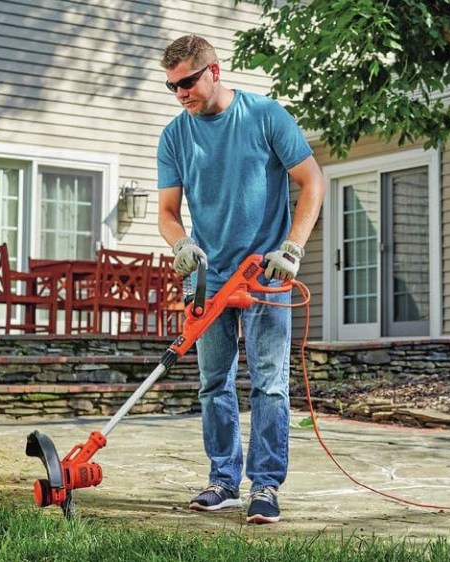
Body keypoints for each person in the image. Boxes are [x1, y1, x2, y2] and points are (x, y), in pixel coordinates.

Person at [155, 34, 326, 524]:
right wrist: (180, 243)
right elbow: (167, 213)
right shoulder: (175, 136)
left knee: (270, 385)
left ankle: (266, 486)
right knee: (213, 383)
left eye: (187, 81)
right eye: (172, 86)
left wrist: (292, 247)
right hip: (209, 282)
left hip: (265, 277)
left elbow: (313, 181)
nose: (181, 93)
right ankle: (223, 480)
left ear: (214, 71)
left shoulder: (265, 116)